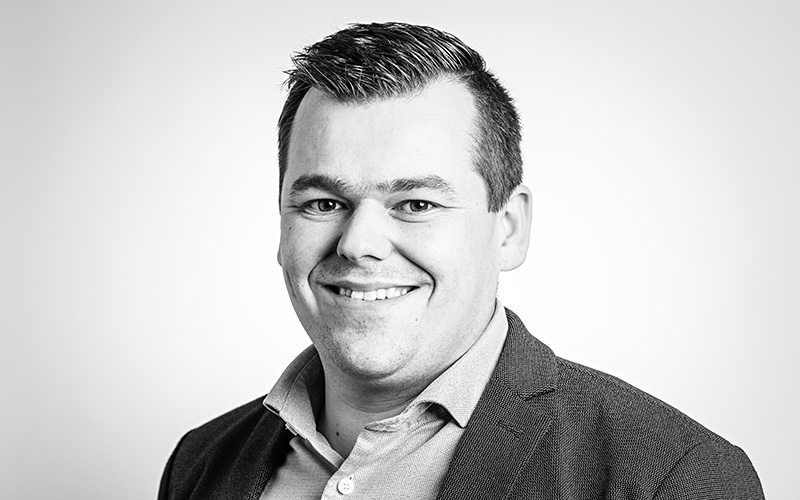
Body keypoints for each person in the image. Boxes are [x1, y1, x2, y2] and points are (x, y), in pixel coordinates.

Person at [158, 22, 764, 499]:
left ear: (509, 228)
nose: (358, 243)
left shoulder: (675, 478)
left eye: (416, 203)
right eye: (323, 203)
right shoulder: (200, 463)